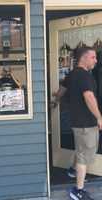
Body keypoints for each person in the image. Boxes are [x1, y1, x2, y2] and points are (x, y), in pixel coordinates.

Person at [52, 46, 102, 200]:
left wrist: (54, 101)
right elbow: (89, 97)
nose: (96, 60)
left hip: (76, 121)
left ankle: (73, 171)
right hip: (86, 123)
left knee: (80, 149)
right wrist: (99, 118)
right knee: (84, 156)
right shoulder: (85, 76)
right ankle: (77, 190)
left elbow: (61, 91)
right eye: (93, 57)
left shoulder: (72, 74)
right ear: (84, 58)